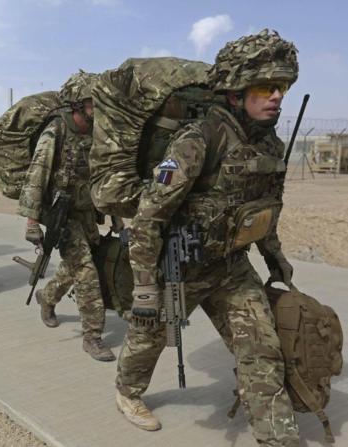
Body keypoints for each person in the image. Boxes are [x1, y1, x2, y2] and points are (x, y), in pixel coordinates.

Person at [115, 29, 300, 446]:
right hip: (179, 268)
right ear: (236, 92)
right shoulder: (198, 140)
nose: (276, 96)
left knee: (262, 352)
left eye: (282, 87)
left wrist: (274, 256)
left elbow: (265, 208)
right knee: (149, 339)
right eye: (265, 87)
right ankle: (127, 392)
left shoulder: (270, 144)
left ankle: (278, 437)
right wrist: (144, 287)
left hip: (231, 268)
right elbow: (148, 217)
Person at [18, 71, 116, 362]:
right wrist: (32, 222)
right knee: (86, 272)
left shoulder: (97, 133)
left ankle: (47, 297)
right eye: (92, 103)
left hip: (87, 212)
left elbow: (105, 174)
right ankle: (92, 336)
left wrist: (116, 215)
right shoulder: (56, 131)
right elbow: (37, 175)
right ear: (77, 104)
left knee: (78, 265)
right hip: (62, 214)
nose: (98, 108)